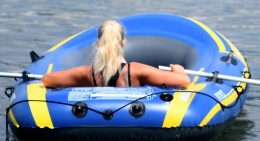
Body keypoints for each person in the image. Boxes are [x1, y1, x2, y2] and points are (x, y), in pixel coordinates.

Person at [41, 20, 191, 89]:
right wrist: (177, 69)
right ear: (123, 42)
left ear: (98, 42)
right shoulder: (136, 71)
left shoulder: (87, 73)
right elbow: (183, 80)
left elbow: (47, 79)